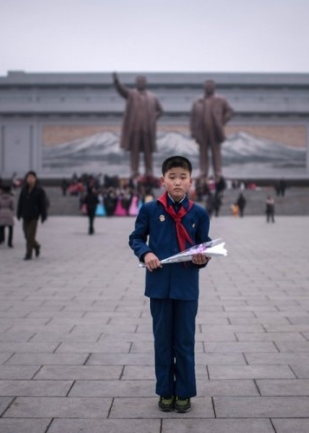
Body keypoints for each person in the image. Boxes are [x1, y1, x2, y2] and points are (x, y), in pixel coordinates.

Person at [128, 155, 211, 414]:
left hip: (186, 288)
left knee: (184, 341)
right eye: (172, 177)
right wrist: (146, 253)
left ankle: (184, 393)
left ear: (190, 181)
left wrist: (202, 257)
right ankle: (165, 391)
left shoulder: (198, 213)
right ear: (163, 181)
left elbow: (204, 245)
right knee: (162, 341)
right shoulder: (150, 210)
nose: (177, 182)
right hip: (159, 287)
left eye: (182, 177)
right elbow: (136, 238)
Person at [113, 72, 163, 178]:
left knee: (148, 153)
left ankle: (149, 171)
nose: (140, 83)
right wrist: (116, 82)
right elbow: (122, 90)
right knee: (134, 153)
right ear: (136, 83)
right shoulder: (131, 94)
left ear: (145, 83)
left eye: (142, 81)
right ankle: (134, 171)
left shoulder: (152, 97)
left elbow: (160, 111)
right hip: (135, 129)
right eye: (138, 81)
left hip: (147, 130)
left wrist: (153, 118)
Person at [190, 80, 234, 181]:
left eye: (211, 86)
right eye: (207, 86)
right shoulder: (197, 101)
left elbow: (230, 111)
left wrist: (222, 121)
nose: (209, 88)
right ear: (204, 87)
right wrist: (193, 131)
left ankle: (218, 173)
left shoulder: (221, 99)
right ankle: (203, 172)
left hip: (215, 130)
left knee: (216, 152)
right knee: (202, 153)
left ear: (214, 87)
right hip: (202, 131)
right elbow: (193, 117)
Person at [17, 171, 48, 261]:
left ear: (35, 179)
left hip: (34, 216)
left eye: (31, 177)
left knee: (30, 236)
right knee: (26, 236)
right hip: (25, 215)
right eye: (28, 177)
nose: (29, 179)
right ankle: (37, 246)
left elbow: (43, 204)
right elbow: (20, 202)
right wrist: (19, 213)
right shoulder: (24, 190)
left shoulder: (39, 190)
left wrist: (43, 215)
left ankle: (28, 254)